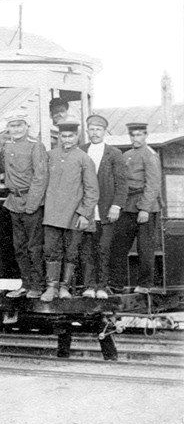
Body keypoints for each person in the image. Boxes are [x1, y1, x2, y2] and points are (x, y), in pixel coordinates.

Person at [41, 122, 99, 302]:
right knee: (51, 250)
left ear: (77, 137)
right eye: (63, 136)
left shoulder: (84, 159)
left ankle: (64, 287)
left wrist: (84, 214)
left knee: (71, 252)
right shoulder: (50, 156)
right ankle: (51, 287)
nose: (67, 140)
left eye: (71, 136)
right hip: (51, 214)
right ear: (58, 137)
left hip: (74, 215)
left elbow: (92, 190)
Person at [0, 112, 48, 299]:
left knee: (34, 246)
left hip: (30, 202)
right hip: (14, 202)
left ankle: (37, 285)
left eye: (20, 125)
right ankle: (26, 283)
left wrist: (32, 204)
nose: (16, 129)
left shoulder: (36, 146)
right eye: (12, 126)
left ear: (26, 127)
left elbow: (40, 177)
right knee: (19, 247)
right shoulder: (7, 146)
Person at [80, 115, 128, 298]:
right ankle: (89, 286)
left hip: (106, 210)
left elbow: (122, 183)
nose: (95, 133)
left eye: (98, 129)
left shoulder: (114, 154)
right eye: (91, 129)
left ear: (104, 131)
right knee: (87, 250)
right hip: (87, 211)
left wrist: (116, 205)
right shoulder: (81, 151)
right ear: (87, 131)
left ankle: (102, 286)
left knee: (103, 248)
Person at [116, 122, 163, 294]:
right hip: (127, 206)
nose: (136, 138)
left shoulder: (150, 155)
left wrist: (144, 208)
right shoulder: (127, 154)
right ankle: (116, 284)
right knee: (120, 245)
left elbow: (153, 184)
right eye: (133, 135)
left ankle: (145, 285)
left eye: (139, 135)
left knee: (145, 248)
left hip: (145, 207)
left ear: (145, 135)